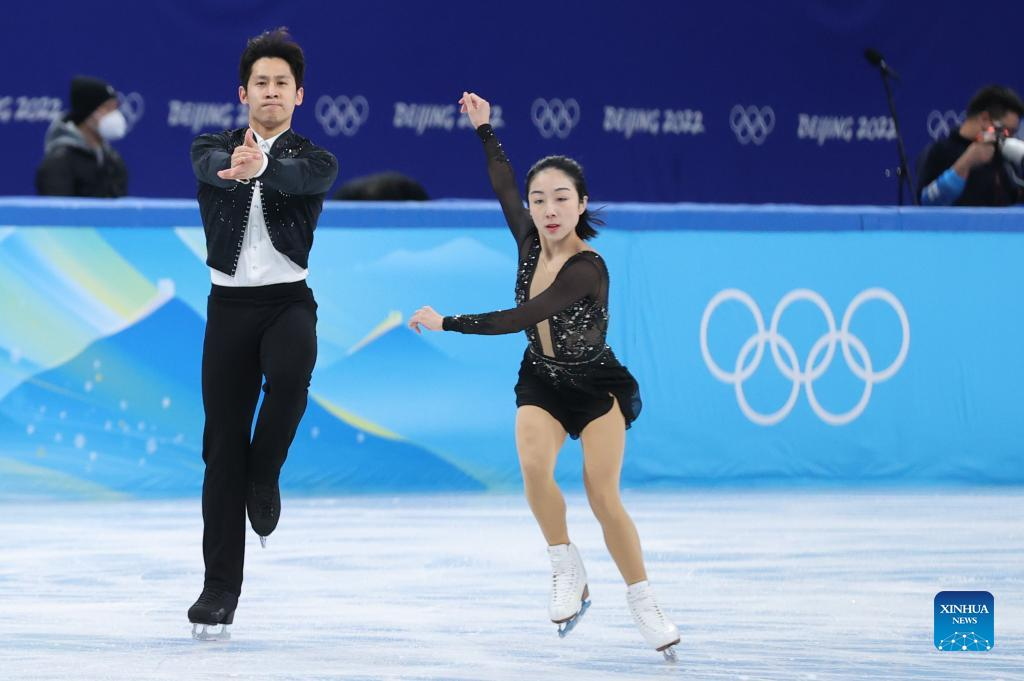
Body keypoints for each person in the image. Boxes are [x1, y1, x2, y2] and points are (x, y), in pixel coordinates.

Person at [408, 92, 680, 660]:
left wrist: (446, 321)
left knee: (602, 496)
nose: (548, 209)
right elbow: (503, 183)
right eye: (539, 200)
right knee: (534, 468)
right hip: (541, 380)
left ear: (582, 204)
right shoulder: (528, 239)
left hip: (594, 386)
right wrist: (485, 129)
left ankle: (644, 599)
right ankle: (565, 564)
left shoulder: (587, 268)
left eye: (561, 198)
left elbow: (521, 317)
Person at [186, 27, 338, 640]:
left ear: (298, 95)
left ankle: (266, 470)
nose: (270, 91)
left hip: (286, 303)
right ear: (243, 92)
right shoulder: (210, 146)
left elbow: (299, 180)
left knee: (292, 371)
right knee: (221, 448)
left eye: (282, 83)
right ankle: (219, 589)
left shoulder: (316, 160)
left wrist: (267, 165)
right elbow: (211, 169)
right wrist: (241, 167)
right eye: (260, 82)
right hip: (228, 309)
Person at [918, 85, 1023, 206]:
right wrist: (966, 162)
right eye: (1007, 131)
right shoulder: (940, 151)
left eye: (1013, 133)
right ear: (985, 119)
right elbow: (927, 203)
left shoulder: (1003, 156)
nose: (1009, 137)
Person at [35, 75, 129, 197]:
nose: (114, 115)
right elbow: (56, 208)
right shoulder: (58, 163)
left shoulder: (113, 160)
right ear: (88, 113)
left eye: (115, 108)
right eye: (107, 108)